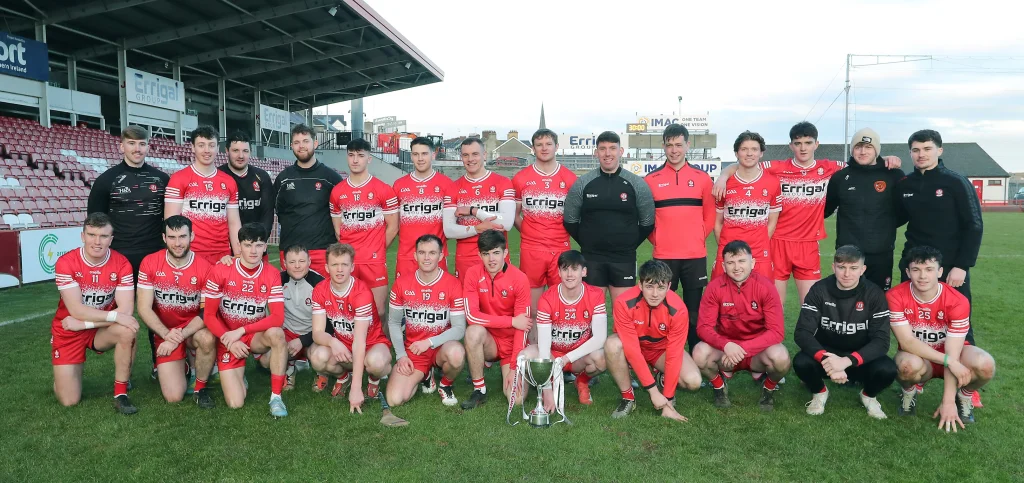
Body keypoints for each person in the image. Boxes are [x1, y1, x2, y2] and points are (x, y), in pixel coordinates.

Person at [86, 125, 169, 375]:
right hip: (120, 260)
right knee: (125, 318)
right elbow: (95, 223)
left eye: (142, 144)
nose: (137, 149)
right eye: (131, 144)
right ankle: (126, 373)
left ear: (147, 146)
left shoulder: (161, 179)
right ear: (121, 146)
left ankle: (160, 364)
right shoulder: (106, 180)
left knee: (158, 315)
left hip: (154, 258)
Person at [888, 246, 995, 431]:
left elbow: (952, 353)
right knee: (905, 367)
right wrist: (948, 361)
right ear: (907, 272)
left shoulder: (957, 300)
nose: (922, 276)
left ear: (940, 271)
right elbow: (907, 342)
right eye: (916, 270)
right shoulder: (895, 296)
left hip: (954, 355)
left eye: (929, 270)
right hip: (920, 357)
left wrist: (948, 402)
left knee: (985, 364)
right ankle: (909, 391)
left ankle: (964, 396)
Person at [897, 130, 984, 345]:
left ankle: (961, 371)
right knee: (913, 324)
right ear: (910, 153)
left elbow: (974, 225)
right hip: (914, 266)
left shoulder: (956, 182)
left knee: (958, 325)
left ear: (939, 150)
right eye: (916, 150)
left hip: (951, 267)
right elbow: (895, 218)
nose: (921, 154)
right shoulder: (905, 184)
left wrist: (962, 266)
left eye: (927, 149)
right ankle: (916, 372)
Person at [793, 245, 896, 419]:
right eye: (841, 267)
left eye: (853, 268)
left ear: (863, 269)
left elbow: (882, 341)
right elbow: (802, 332)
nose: (847, 274)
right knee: (801, 362)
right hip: (827, 356)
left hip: (859, 358)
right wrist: (828, 360)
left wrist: (847, 361)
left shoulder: (874, 294)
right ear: (834, 267)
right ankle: (819, 392)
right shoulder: (819, 289)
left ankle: (868, 396)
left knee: (887, 369)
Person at [50, 213, 139, 414]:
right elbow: (76, 310)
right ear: (82, 236)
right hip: (68, 329)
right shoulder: (66, 262)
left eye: (104, 236)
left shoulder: (122, 263)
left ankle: (121, 394)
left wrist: (86, 325)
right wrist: (110, 317)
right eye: (92, 235)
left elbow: (125, 311)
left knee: (128, 328)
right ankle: (66, 374)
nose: (97, 242)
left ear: (111, 239)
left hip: (93, 327)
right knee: (69, 400)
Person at [201, 223, 288, 417]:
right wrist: (228, 340)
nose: (253, 250)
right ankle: (241, 374)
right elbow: (208, 315)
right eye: (248, 245)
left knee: (277, 334)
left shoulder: (272, 274)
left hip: (252, 335)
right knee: (235, 403)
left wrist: (241, 332)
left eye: (258, 245)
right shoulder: (221, 270)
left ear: (266, 247)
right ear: (238, 246)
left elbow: (277, 317)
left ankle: (276, 397)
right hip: (228, 339)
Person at [694, 240, 790, 412]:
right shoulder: (714, 287)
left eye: (741, 261)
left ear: (752, 263)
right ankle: (719, 387)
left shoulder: (766, 287)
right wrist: (726, 345)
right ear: (723, 266)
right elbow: (703, 328)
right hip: (726, 352)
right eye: (731, 262)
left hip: (756, 353)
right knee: (699, 353)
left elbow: (776, 332)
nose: (736, 267)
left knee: (781, 357)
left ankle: (768, 390)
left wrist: (743, 348)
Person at [644, 123, 715, 351]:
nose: (674, 150)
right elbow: (647, 220)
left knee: (693, 309)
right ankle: (663, 357)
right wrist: (661, 239)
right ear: (663, 147)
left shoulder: (702, 178)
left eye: (678, 145)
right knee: (663, 309)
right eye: (669, 145)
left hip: (694, 256)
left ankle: (695, 354)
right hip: (664, 256)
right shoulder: (651, 179)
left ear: (687, 145)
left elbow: (710, 216)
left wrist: (695, 238)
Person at [136, 216, 217, 408]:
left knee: (207, 337)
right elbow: (143, 308)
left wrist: (177, 337)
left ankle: (200, 387)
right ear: (164, 237)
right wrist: (166, 335)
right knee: (173, 396)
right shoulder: (149, 263)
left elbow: (207, 313)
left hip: (191, 330)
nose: (177, 243)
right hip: (165, 332)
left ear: (192, 236)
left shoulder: (206, 268)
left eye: (182, 236)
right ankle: (187, 366)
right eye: (172, 237)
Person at [563, 131, 655, 300]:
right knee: (592, 313)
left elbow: (648, 222)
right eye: (602, 148)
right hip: (592, 258)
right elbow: (570, 220)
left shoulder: (637, 184)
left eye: (612, 148)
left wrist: (628, 243)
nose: (607, 153)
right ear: (596, 152)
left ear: (621, 151)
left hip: (624, 259)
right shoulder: (583, 183)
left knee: (624, 314)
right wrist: (588, 241)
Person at [604, 259, 698, 422]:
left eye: (661, 287)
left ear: (669, 287)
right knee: (612, 344)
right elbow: (632, 350)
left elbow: (674, 355)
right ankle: (628, 398)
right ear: (640, 285)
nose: (655, 294)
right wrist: (653, 393)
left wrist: (667, 399)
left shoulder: (679, 309)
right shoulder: (623, 302)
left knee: (693, 381)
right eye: (649, 286)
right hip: (631, 350)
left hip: (660, 351)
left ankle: (662, 378)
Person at [309, 243, 392, 414]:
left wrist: (357, 389)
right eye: (334, 265)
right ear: (326, 267)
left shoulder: (362, 293)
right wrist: (333, 342)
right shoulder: (320, 290)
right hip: (344, 344)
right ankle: (343, 378)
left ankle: (373, 380)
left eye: (344, 265)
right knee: (317, 357)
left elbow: (360, 341)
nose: (339, 270)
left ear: (352, 267)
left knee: (376, 363)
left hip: (371, 343)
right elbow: (317, 333)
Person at [386, 235, 467, 408]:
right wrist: (401, 356)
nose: (427, 257)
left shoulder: (453, 284)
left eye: (432, 253)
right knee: (395, 399)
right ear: (415, 256)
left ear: (441, 255)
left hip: (442, 346)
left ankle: (445, 384)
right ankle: (425, 375)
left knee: (457, 354)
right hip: (415, 350)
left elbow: (460, 328)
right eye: (422, 252)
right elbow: (393, 323)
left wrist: (429, 342)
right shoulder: (401, 283)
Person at [520, 250, 607, 406]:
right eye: (565, 269)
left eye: (574, 269)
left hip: (577, 357)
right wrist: (547, 390)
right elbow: (544, 344)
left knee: (602, 358)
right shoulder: (547, 298)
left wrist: (567, 358)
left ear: (584, 271)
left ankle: (581, 381)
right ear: (559, 272)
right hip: (553, 354)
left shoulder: (595, 295)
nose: (569, 274)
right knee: (525, 356)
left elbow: (600, 338)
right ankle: (547, 381)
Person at [824, 128, 906, 290]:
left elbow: (904, 211)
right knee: (846, 301)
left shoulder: (893, 175)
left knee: (879, 301)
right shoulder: (840, 177)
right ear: (852, 150)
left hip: (881, 253)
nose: (863, 151)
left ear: (876, 150)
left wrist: (885, 227)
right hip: (848, 254)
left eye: (868, 147)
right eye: (858, 147)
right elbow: (825, 210)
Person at [460, 229, 532, 409]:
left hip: (511, 344)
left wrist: (514, 367)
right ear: (479, 255)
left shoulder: (520, 278)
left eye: (496, 253)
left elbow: (522, 327)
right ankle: (479, 389)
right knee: (473, 332)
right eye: (486, 254)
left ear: (505, 253)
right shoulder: (472, 274)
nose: (491, 259)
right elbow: (471, 316)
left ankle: (510, 370)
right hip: (490, 341)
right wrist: (510, 321)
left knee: (517, 401)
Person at [512, 129, 578, 324]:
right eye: (539, 145)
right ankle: (535, 352)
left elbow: (576, 217)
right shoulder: (520, 178)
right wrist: (530, 234)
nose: (544, 148)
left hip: (561, 248)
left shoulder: (570, 179)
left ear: (556, 147)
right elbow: (514, 215)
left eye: (548, 144)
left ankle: (560, 351)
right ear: (533, 149)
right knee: (532, 310)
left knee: (562, 306)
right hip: (532, 249)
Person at [330, 138, 399, 323]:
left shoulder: (383, 189)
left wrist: (377, 249)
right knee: (348, 309)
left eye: (360, 155)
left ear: (369, 158)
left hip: (374, 261)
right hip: (348, 260)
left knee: (379, 311)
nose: (355, 160)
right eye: (351, 155)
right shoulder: (337, 191)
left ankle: (382, 346)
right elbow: (338, 229)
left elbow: (393, 226)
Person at [164, 126, 241, 265]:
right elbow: (171, 222)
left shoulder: (229, 182)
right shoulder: (178, 179)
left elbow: (234, 222)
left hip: (222, 257)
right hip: (190, 255)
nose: (207, 150)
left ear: (217, 148)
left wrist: (239, 256)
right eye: (201, 145)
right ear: (193, 147)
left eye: (211, 145)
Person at [274, 124, 344, 274]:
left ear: (315, 143)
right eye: (297, 142)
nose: (301, 146)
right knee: (292, 297)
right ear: (291, 145)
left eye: (306, 141)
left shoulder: (331, 178)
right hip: (290, 251)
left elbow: (342, 212)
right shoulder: (283, 178)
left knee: (322, 297)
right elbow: (279, 211)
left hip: (322, 251)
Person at [442, 137, 515, 278]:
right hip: (466, 259)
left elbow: (506, 223)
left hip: (496, 257)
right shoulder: (453, 188)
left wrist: (473, 211)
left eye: (475, 154)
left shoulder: (503, 183)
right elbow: (449, 230)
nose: (470, 159)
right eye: (465, 155)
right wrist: (477, 229)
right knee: (468, 301)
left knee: (499, 300)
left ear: (484, 155)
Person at [713, 131, 781, 281]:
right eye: (744, 149)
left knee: (760, 299)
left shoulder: (773, 182)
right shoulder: (724, 184)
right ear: (736, 153)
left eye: (754, 149)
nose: (749, 153)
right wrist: (727, 248)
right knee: (723, 300)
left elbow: (772, 221)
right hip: (728, 252)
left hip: (759, 253)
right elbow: (717, 223)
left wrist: (760, 242)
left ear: (761, 153)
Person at [263, 245, 324, 391]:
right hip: (288, 333)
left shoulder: (320, 283)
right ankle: (290, 368)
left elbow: (328, 324)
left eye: (301, 261)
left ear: (309, 262)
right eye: (292, 262)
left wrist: (303, 340)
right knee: (266, 360)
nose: (297, 266)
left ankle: (321, 372)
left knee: (320, 358)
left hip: (314, 334)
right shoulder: (277, 280)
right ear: (284, 263)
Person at [392, 136, 454, 280]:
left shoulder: (447, 184)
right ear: (411, 156)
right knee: (406, 300)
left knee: (438, 300)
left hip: (436, 256)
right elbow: (394, 224)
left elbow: (451, 224)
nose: (420, 158)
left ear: (433, 154)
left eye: (424, 154)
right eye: (415, 154)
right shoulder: (399, 185)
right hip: (407, 256)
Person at [218, 131, 277, 255]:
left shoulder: (262, 177)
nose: (241, 155)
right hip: (226, 250)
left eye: (245, 151)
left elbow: (267, 214)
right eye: (235, 151)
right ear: (227, 151)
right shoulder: (218, 176)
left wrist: (258, 242)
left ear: (250, 152)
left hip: (255, 248)